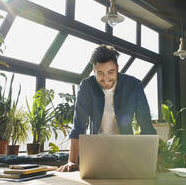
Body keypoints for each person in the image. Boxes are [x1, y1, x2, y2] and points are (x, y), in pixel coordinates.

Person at [58, 44, 157, 172]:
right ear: (94, 71)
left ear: (117, 69)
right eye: (100, 73)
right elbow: (79, 127)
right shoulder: (87, 86)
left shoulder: (134, 85)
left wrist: (151, 161)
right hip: (95, 152)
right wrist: (72, 161)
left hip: (126, 152)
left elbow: (146, 126)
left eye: (111, 72)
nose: (105, 79)